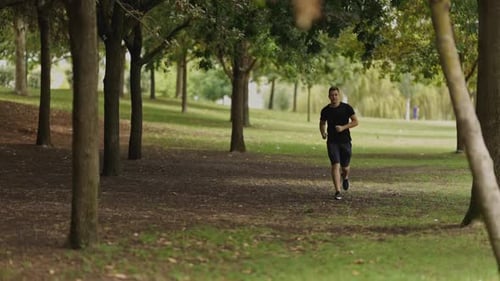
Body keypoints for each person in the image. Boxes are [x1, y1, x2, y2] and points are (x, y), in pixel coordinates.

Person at [319, 86, 358, 200]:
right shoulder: (325, 110)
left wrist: (343, 127)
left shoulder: (346, 108)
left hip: (345, 141)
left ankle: (345, 177)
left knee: (345, 167)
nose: (334, 97)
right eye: (332, 95)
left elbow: (355, 121)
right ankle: (337, 191)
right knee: (335, 164)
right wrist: (323, 133)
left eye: (336, 95)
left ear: (339, 95)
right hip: (332, 142)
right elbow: (322, 123)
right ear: (329, 96)